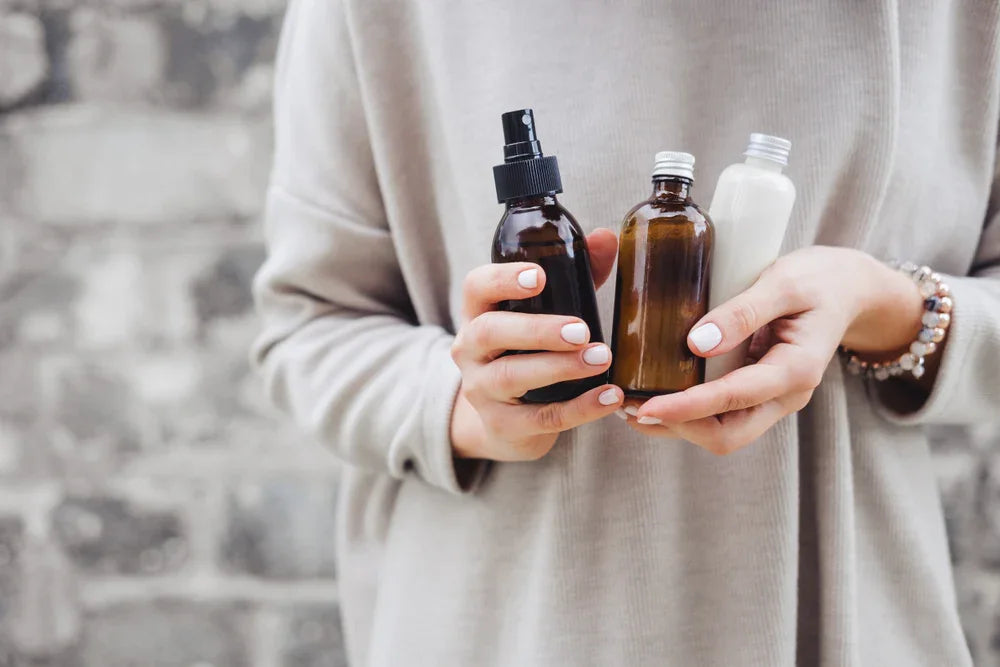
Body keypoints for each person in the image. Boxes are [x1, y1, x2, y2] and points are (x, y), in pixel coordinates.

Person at [252, 1, 1000, 664]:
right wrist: (469, 404)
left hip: (843, 606)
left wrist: (890, 308)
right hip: (513, 620)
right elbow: (308, 327)